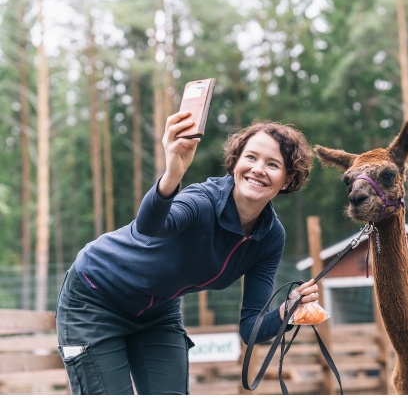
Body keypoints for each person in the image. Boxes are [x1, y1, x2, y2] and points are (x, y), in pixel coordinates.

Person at [55, 111, 318, 395]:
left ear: (288, 179)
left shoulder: (270, 237)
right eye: (250, 157)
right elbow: (149, 226)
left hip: (157, 313)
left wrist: (287, 311)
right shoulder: (202, 202)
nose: (258, 169)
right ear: (235, 162)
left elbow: (250, 329)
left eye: (273, 164)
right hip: (95, 297)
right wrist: (173, 174)